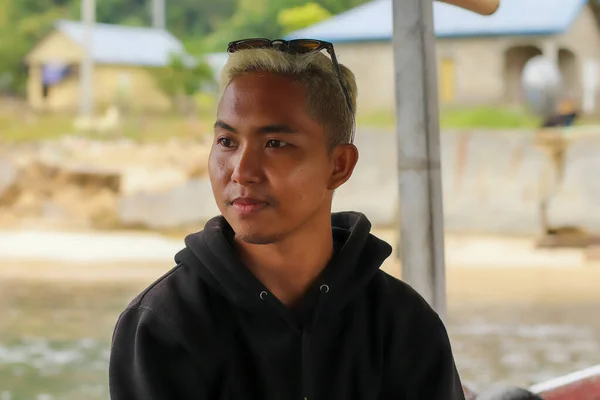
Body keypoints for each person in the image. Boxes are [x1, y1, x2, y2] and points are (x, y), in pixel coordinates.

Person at [109, 38, 465, 400]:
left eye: (275, 143)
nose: (242, 171)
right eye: (227, 142)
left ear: (339, 166)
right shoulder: (165, 322)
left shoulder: (402, 324)